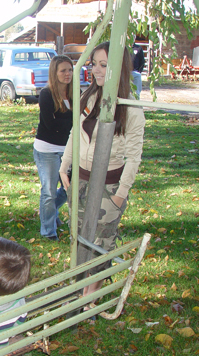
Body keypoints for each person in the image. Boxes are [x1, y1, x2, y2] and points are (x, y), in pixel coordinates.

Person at [59, 41, 145, 301]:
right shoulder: (88, 97)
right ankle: (79, 292)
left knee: (99, 245)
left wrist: (120, 194)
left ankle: (90, 298)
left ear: (119, 68)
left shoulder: (130, 108)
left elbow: (134, 156)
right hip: (81, 181)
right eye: (94, 63)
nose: (96, 70)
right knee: (80, 238)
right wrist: (65, 167)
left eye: (104, 65)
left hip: (108, 188)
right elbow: (76, 132)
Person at [33, 55, 75, 241]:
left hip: (69, 150)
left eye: (70, 70)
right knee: (49, 191)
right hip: (47, 149)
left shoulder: (76, 94)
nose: (68, 74)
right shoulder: (47, 94)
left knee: (71, 188)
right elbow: (51, 125)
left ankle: (51, 211)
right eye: (63, 70)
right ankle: (48, 231)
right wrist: (74, 122)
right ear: (54, 73)